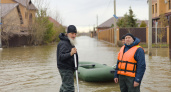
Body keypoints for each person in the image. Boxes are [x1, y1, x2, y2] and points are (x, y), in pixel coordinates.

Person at [57, 25, 79, 92]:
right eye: (72, 33)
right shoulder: (63, 43)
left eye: (75, 34)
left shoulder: (69, 41)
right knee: (69, 88)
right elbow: (61, 56)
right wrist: (70, 53)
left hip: (68, 68)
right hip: (65, 68)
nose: (74, 36)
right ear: (67, 33)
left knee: (65, 86)